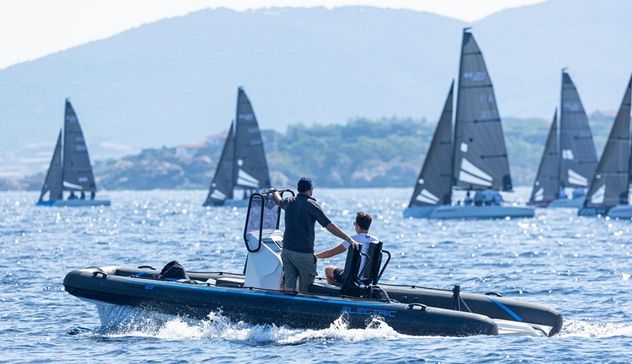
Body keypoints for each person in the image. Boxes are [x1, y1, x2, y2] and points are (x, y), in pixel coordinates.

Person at [270, 177, 359, 292]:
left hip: (287, 252)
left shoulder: (289, 201)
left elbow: (278, 201)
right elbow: (329, 226)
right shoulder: (312, 205)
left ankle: (288, 307)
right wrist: (348, 238)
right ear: (310, 190)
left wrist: (274, 191)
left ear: (298, 189)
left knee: (289, 285)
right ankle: (301, 308)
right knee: (306, 289)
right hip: (303, 255)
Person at [315, 212, 379, 285]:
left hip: (352, 278)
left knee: (328, 269)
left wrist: (315, 256)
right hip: (367, 279)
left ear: (357, 226)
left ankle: (338, 293)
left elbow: (331, 253)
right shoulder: (376, 240)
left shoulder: (353, 239)